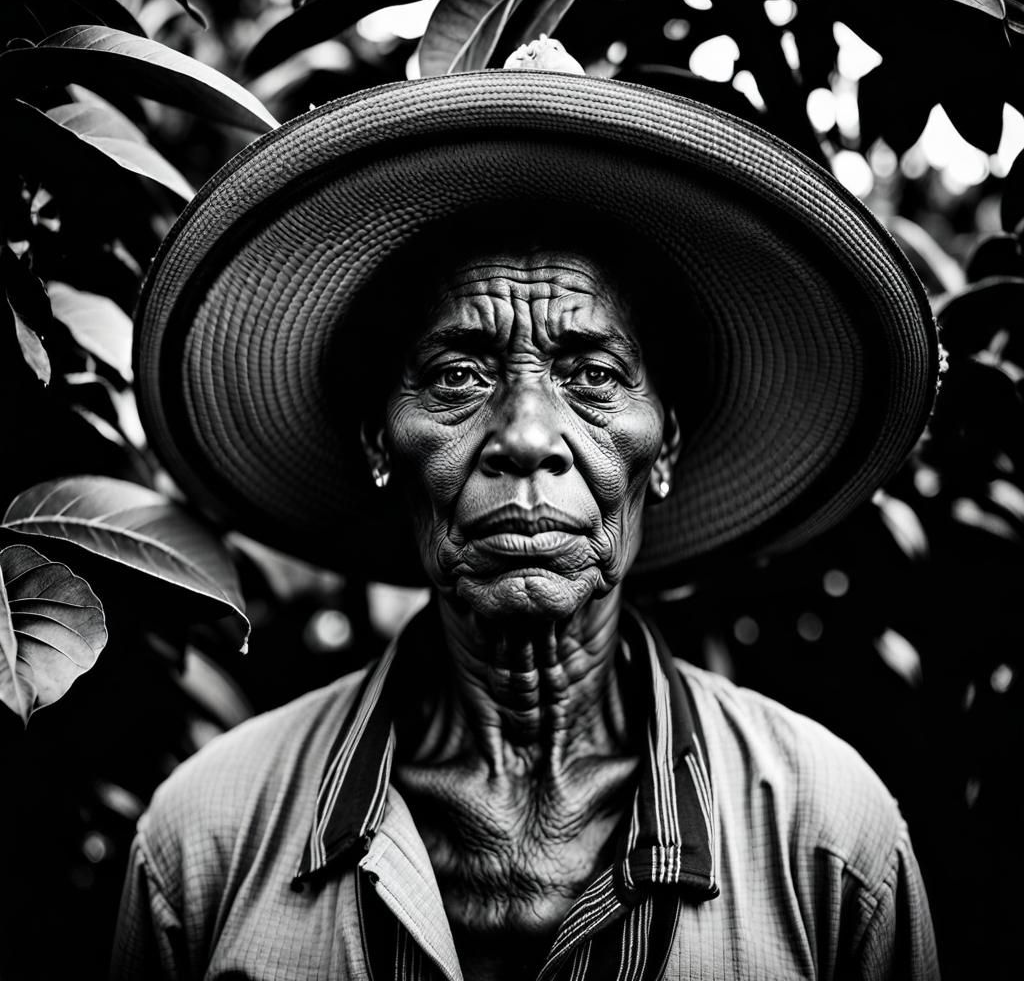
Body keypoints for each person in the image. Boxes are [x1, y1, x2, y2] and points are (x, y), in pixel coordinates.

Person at [113, 48, 941, 980]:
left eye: (592, 375)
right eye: (460, 375)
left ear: (663, 448)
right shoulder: (207, 841)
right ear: (382, 443)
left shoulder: (826, 839)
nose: (527, 435)